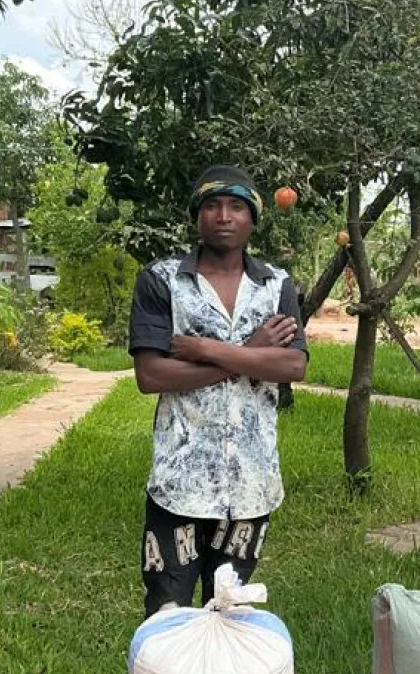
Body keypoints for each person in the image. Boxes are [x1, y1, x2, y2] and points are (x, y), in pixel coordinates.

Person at [127, 164, 308, 617]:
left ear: (253, 219)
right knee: (167, 610)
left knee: (230, 612)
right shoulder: (162, 281)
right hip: (179, 483)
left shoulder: (276, 286)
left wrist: (207, 349)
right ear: (197, 215)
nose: (224, 216)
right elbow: (151, 375)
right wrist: (250, 353)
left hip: (251, 485)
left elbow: (293, 365)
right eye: (212, 205)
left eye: (236, 207)